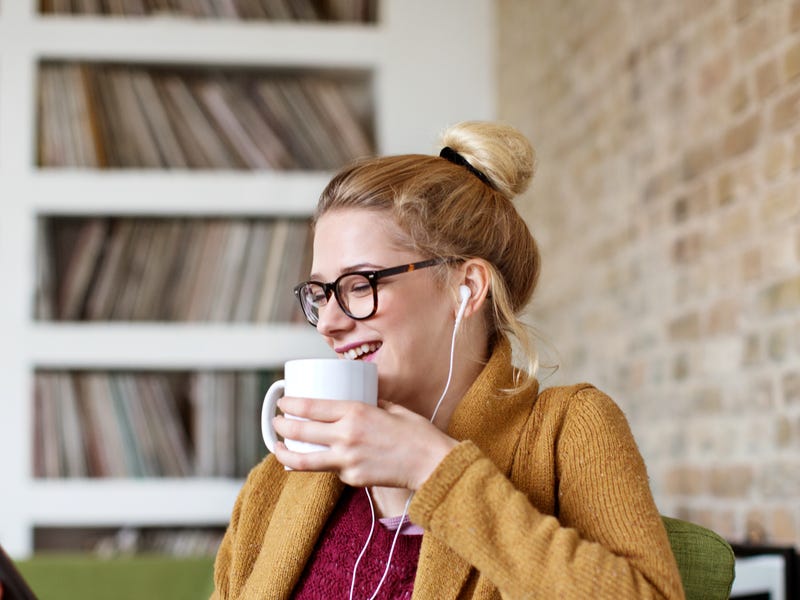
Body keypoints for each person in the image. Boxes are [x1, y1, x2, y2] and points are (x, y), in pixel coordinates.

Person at [211, 121, 685, 599]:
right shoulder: (276, 482)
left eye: (360, 285)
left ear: (467, 288)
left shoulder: (569, 432)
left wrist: (433, 468)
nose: (329, 322)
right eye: (321, 293)